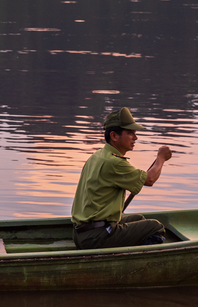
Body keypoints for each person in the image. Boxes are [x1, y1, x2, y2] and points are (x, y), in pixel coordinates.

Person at [71, 107, 173, 250]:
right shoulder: (114, 163)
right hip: (95, 237)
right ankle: (135, 260)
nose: (135, 138)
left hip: (82, 233)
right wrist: (161, 158)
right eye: (130, 133)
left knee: (139, 219)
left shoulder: (98, 156)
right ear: (114, 136)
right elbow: (149, 180)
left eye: (135, 133)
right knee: (155, 227)